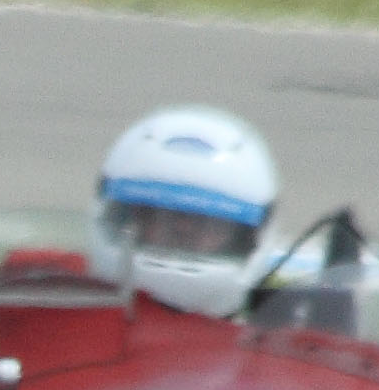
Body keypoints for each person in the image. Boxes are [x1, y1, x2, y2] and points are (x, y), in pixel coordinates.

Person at [93, 104, 276, 320]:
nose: (184, 230)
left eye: (207, 222)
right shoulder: (58, 308)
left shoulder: (281, 337)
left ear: (247, 238)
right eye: (164, 216)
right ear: (119, 219)